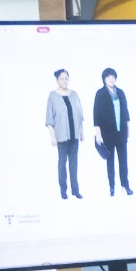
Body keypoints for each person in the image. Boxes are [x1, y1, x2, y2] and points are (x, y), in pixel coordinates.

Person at [45, 68, 84, 201]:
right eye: (62, 78)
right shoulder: (52, 96)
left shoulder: (74, 94)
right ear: (57, 80)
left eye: (66, 78)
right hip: (61, 136)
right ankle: (63, 190)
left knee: (74, 164)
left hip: (74, 136)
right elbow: (49, 119)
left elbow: (80, 114)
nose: (64, 81)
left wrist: (81, 131)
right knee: (62, 164)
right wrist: (52, 137)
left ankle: (75, 190)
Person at [91, 67, 130, 197]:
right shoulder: (100, 93)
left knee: (123, 160)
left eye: (113, 76)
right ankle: (112, 186)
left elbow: (126, 112)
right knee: (110, 160)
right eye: (108, 77)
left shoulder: (121, 92)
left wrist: (128, 128)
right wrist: (98, 133)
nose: (111, 79)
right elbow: (96, 115)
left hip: (121, 132)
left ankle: (125, 185)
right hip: (108, 133)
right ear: (104, 79)